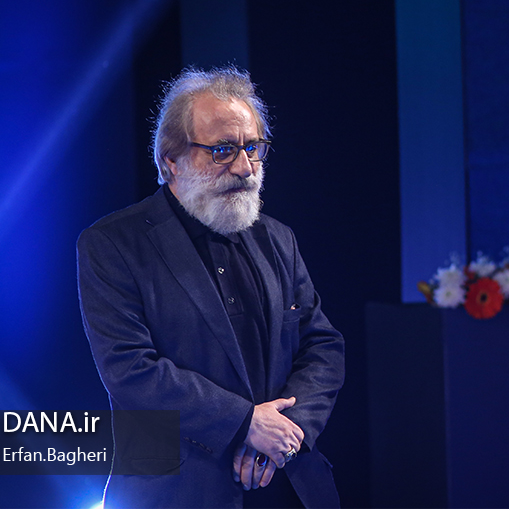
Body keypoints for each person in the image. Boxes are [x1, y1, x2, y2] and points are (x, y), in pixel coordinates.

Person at [78, 67, 345, 508]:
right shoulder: (112, 244)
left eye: (252, 148)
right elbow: (130, 369)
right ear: (171, 160)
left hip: (285, 482)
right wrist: (245, 424)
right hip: (180, 491)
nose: (244, 167)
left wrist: (286, 431)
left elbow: (323, 345)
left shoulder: (278, 237)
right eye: (222, 150)